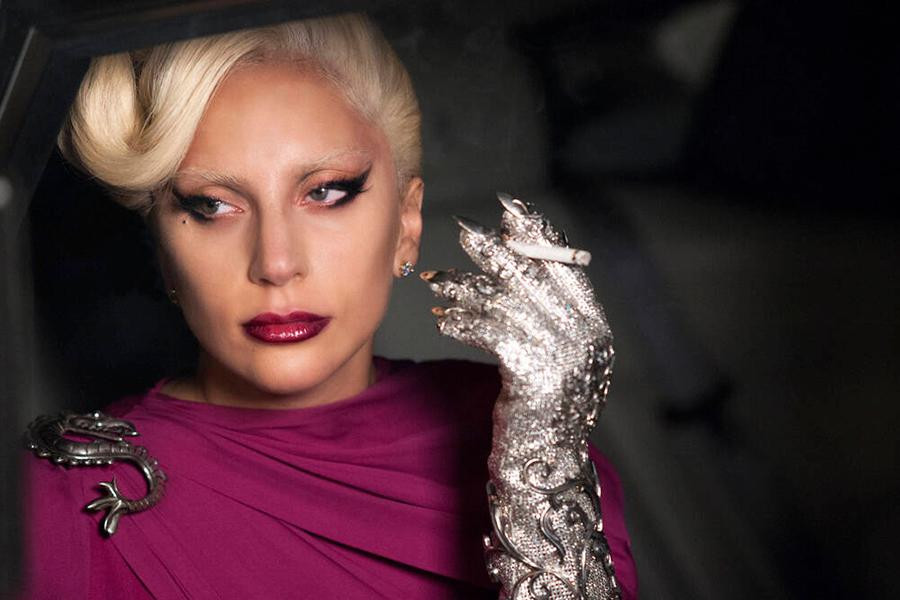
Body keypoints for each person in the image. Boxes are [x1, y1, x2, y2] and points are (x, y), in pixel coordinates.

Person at [22, 13, 637, 599]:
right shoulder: (66, 497)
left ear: (406, 223)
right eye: (213, 206)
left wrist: (543, 465)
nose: (276, 262)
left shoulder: (524, 429)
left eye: (326, 193)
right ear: (162, 248)